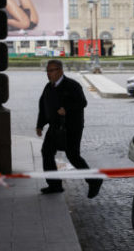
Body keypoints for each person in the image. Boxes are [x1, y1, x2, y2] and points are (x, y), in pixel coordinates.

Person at [35, 60, 102, 198]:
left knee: (73, 156)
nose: (49, 74)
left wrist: (67, 109)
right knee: (46, 152)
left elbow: (82, 102)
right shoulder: (48, 87)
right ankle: (54, 185)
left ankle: (94, 180)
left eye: (51, 70)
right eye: (47, 71)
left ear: (60, 71)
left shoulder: (72, 85)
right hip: (54, 127)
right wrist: (40, 125)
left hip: (71, 127)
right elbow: (43, 106)